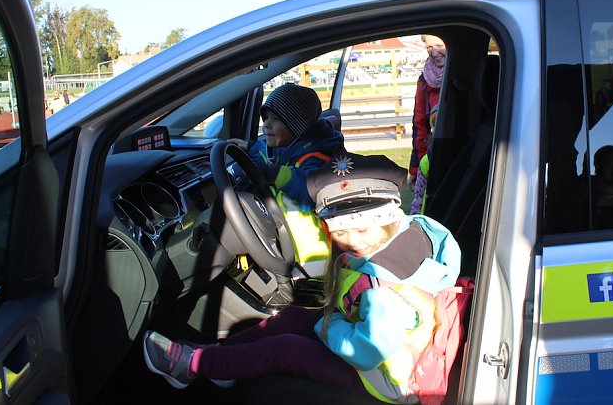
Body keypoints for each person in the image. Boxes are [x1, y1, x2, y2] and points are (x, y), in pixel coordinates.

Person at [142, 153, 461, 403]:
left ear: (389, 216)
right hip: (391, 354)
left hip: (387, 383)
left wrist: (330, 326)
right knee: (294, 317)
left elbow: (365, 353)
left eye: (362, 229)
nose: (353, 242)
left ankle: (193, 366)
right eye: (340, 233)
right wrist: (329, 323)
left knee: (286, 349)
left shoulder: (385, 292)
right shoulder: (408, 237)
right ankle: (215, 358)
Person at [229, 82, 345, 274]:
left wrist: (271, 173)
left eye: (276, 119)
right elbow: (269, 154)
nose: (266, 124)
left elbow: (310, 190)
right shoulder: (290, 147)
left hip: (317, 257)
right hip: (295, 251)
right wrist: (249, 147)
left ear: (296, 125)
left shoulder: (316, 158)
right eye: (265, 118)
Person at [409, 35, 446, 184]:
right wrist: (415, 168)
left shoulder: (467, 72)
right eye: (429, 47)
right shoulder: (424, 80)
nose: (434, 53)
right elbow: (420, 125)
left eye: (439, 45)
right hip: (437, 153)